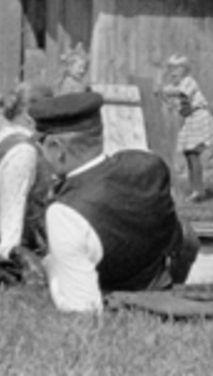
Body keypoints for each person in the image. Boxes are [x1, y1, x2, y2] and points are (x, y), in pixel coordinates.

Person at [30, 91, 198, 313]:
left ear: (56, 148)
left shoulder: (65, 212)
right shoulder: (149, 165)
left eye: (40, 145)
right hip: (162, 288)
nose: (39, 154)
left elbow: (82, 309)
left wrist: (50, 269)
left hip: (123, 304)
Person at [0, 85, 55, 257]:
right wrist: (10, 260)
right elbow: (12, 209)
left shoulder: (5, 137)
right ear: (31, 114)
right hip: (12, 250)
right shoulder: (23, 151)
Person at [160, 54, 213, 202]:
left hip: (199, 116)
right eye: (171, 68)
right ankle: (195, 189)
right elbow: (177, 105)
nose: (174, 72)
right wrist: (167, 98)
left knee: (193, 154)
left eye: (177, 68)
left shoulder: (188, 82)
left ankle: (198, 191)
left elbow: (181, 94)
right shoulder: (174, 86)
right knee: (188, 154)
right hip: (190, 118)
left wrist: (164, 92)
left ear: (184, 70)